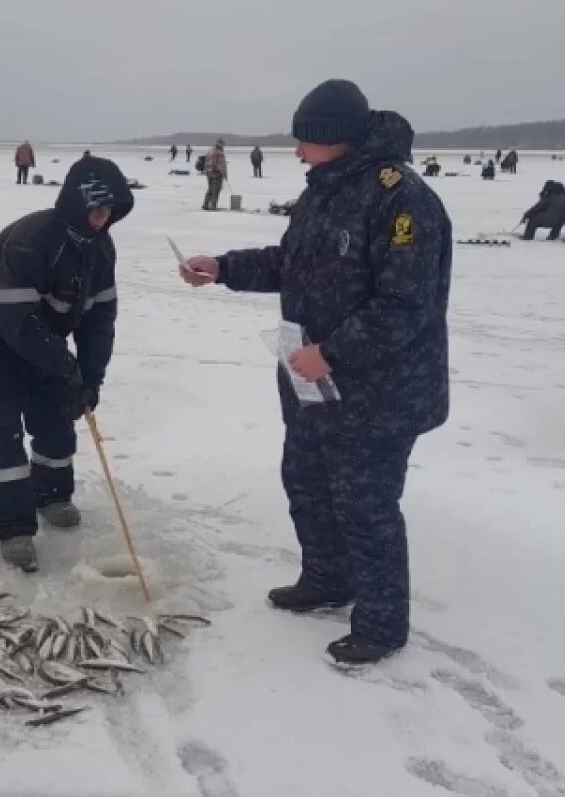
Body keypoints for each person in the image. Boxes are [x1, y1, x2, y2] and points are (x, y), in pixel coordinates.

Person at [179, 80, 451, 666]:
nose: (298, 150)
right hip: (313, 385)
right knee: (306, 483)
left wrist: (331, 352)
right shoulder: (325, 190)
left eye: (306, 139)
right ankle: (327, 579)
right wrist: (223, 268)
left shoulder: (401, 198)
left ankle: (381, 624)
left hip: (379, 391)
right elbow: (290, 262)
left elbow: (405, 305)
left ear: (337, 138)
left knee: (365, 504)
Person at [0, 155, 134, 572]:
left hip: (42, 336)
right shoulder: (31, 238)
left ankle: (51, 494)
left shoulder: (101, 250)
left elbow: (99, 320)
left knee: (55, 414)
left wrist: (88, 378)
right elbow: (15, 320)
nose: (103, 219)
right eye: (96, 209)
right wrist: (63, 366)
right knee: (2, 426)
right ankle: (13, 525)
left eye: (111, 211)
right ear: (75, 203)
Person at [203, 139, 227, 210]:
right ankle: (213, 206)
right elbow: (218, 164)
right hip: (216, 174)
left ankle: (206, 204)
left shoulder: (210, 151)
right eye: (223, 144)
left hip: (209, 173)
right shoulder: (218, 152)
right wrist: (223, 173)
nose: (224, 146)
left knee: (210, 189)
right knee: (216, 190)